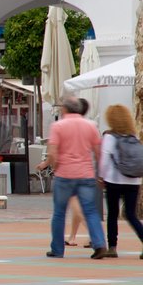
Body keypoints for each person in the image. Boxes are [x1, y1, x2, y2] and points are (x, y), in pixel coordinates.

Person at [37, 95, 107, 258]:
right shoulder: (91, 126)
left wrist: (55, 168)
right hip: (86, 174)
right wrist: (100, 174)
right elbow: (98, 152)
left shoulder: (58, 126)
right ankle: (99, 244)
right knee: (90, 210)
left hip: (65, 174)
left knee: (60, 213)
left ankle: (57, 249)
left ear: (65, 109)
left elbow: (53, 152)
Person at [98, 104, 143, 258]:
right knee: (131, 214)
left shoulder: (109, 137)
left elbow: (104, 160)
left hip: (114, 180)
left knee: (113, 213)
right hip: (134, 181)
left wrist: (101, 176)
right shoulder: (133, 137)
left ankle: (112, 247)